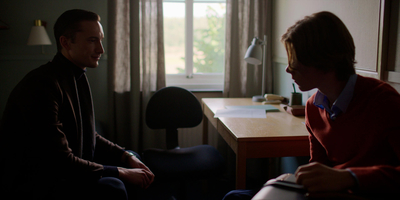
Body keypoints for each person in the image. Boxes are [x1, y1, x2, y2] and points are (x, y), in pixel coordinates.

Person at [223, 11, 400, 199]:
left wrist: (350, 178)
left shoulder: (384, 102)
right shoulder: (313, 107)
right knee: (235, 196)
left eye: (295, 60)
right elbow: (318, 168)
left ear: (324, 59)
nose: (288, 68)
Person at [0, 9, 154, 200]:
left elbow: (87, 134)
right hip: (38, 184)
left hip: (63, 173)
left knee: (135, 160)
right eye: (92, 40)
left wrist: (125, 156)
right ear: (65, 42)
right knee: (114, 186)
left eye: (101, 40)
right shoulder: (41, 85)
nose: (101, 49)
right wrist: (120, 172)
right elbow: (59, 162)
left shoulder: (75, 76)